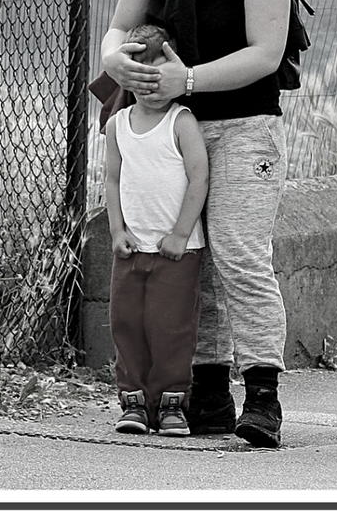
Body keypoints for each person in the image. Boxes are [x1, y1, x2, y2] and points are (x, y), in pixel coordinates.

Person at [99, 0, 293, 448]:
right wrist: (114, 60)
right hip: (170, 132)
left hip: (241, 127)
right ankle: (206, 388)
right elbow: (119, 29)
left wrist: (186, 81)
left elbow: (264, 54)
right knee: (193, 263)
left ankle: (261, 391)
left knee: (238, 256)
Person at [102, 24, 210, 437]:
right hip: (131, 250)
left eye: (158, 69)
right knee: (126, 323)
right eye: (138, 69)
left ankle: (170, 404)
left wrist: (181, 234)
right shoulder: (118, 124)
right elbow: (112, 180)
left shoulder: (181, 121)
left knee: (171, 327)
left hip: (176, 251)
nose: (148, 80)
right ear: (124, 71)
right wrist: (117, 231)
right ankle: (132, 400)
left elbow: (199, 177)